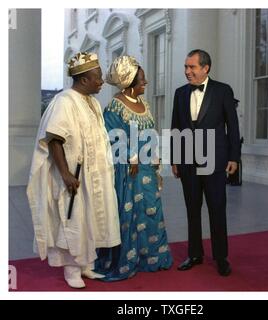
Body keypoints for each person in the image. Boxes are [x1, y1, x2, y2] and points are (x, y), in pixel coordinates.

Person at [26, 52, 121, 288]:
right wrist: (66, 173)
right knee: (74, 219)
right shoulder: (64, 101)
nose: (101, 81)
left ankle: (86, 265)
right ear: (83, 79)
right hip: (75, 174)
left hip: (94, 174)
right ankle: (71, 270)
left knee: (91, 218)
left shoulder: (93, 102)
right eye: (97, 77)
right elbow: (55, 138)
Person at [94, 55, 173, 281]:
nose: (145, 83)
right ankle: (126, 259)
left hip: (148, 169)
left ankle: (153, 257)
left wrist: (155, 153)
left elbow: (151, 133)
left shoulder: (144, 105)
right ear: (129, 82)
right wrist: (131, 155)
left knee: (152, 210)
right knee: (128, 215)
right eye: (141, 80)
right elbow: (109, 136)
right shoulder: (114, 107)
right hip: (129, 170)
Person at [171, 49, 240, 276]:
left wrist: (234, 157)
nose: (187, 71)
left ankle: (221, 257)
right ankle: (194, 254)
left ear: (205, 68)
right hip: (188, 162)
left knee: (216, 209)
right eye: (186, 67)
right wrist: (175, 159)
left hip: (215, 160)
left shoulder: (223, 91)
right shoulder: (180, 93)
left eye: (192, 67)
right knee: (192, 209)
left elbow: (233, 126)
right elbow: (176, 128)